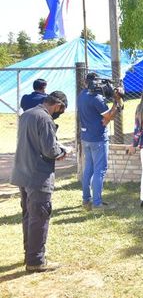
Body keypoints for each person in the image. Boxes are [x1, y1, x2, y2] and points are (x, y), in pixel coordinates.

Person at [11, 91, 68, 272]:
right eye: (61, 110)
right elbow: (50, 150)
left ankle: (30, 253)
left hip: (23, 173)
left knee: (29, 216)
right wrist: (64, 152)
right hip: (38, 176)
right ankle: (36, 261)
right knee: (40, 217)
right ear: (57, 105)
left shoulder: (27, 114)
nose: (59, 113)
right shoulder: (45, 119)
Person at [78, 73, 123, 210]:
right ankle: (97, 203)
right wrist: (117, 101)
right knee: (100, 170)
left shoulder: (82, 95)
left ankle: (86, 200)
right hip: (98, 139)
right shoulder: (95, 98)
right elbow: (109, 116)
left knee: (89, 169)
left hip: (86, 138)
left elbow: (104, 117)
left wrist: (107, 117)